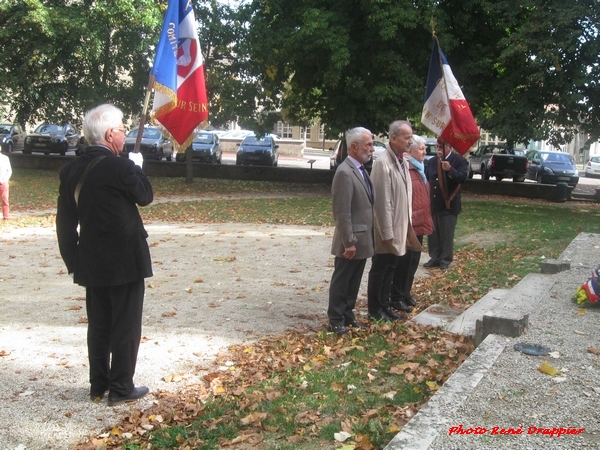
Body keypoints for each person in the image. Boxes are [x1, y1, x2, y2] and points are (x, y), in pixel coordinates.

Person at [56, 104, 153, 406]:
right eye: (123, 129)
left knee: (99, 325)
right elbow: (145, 196)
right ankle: (121, 387)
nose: (125, 134)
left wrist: (74, 262)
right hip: (125, 259)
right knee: (125, 324)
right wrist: (136, 166)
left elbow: (64, 222)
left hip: (91, 260)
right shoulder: (121, 167)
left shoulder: (71, 169)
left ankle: (98, 385)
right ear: (111, 134)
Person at [327, 127, 375, 335]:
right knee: (342, 279)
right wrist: (348, 242)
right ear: (354, 147)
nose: (372, 149)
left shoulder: (362, 169)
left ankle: (348, 313)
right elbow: (342, 211)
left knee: (354, 280)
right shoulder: (344, 172)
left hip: (362, 238)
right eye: (369, 145)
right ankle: (336, 319)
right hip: (351, 241)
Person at [367, 120, 413, 322]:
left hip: (398, 226)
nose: (410, 141)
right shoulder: (382, 162)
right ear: (393, 138)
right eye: (407, 137)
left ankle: (385, 305)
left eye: (411, 137)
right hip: (386, 228)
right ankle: (375, 308)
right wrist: (386, 231)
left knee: (391, 267)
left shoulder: (402, 160)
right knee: (380, 268)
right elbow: (382, 201)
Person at [390, 135, 434, 312]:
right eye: (421, 148)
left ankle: (406, 293)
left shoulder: (420, 168)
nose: (425, 151)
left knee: (414, 261)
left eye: (424, 148)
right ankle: (396, 295)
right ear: (410, 150)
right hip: (409, 223)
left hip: (421, 222)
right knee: (404, 262)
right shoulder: (406, 168)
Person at [424, 137, 469, 270]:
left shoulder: (458, 160)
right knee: (433, 233)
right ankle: (434, 257)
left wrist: (450, 170)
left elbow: (462, 177)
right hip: (434, 202)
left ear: (449, 147)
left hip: (449, 203)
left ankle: (445, 258)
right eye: (437, 147)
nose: (438, 150)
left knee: (446, 233)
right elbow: (428, 179)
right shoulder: (432, 162)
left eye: (441, 147)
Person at [0, 151, 12, 220]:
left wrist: (5, 179)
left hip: (3, 182)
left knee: (5, 200)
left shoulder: (5, 158)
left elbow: (9, 170)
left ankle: (6, 217)